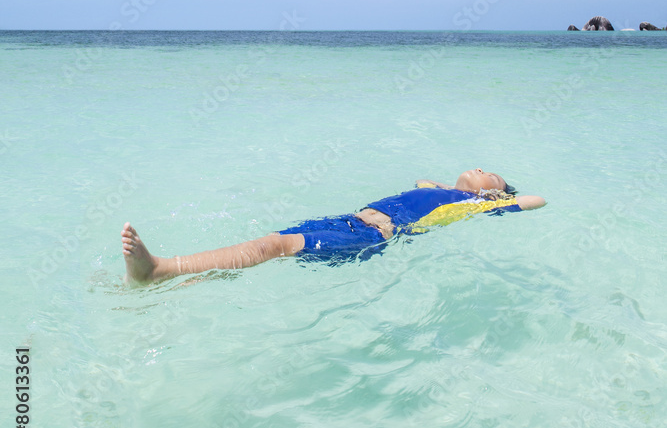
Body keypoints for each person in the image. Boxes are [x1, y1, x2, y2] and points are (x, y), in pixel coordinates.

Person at [121, 168, 546, 284]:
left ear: (495, 192)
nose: (478, 168)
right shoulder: (445, 190)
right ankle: (177, 283)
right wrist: (460, 185)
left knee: (274, 246)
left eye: (489, 172)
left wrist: (498, 196)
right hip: (350, 219)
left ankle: (159, 269)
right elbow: (423, 181)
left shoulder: (473, 205)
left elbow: (536, 200)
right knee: (268, 249)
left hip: (371, 235)